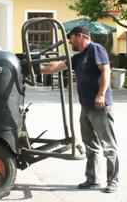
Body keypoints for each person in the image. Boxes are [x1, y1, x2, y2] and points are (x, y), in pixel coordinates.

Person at [41, 25, 120, 193]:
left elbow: (106, 71)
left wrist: (101, 95)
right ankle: (92, 180)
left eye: (71, 37)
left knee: (108, 145)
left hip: (100, 105)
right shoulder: (78, 57)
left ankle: (113, 181)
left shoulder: (95, 49)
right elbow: (56, 67)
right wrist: (31, 68)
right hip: (86, 106)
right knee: (90, 144)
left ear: (81, 36)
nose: (69, 41)